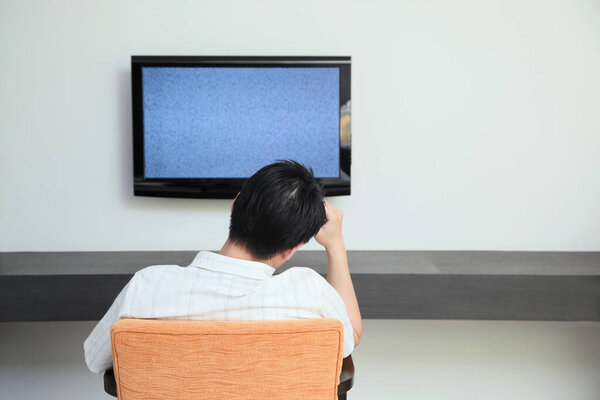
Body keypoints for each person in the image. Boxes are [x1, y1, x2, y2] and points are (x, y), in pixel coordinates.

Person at [84, 160, 362, 374]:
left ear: (235, 204)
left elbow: (95, 360)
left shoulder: (147, 286)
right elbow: (351, 335)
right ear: (290, 249)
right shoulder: (309, 294)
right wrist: (335, 245)